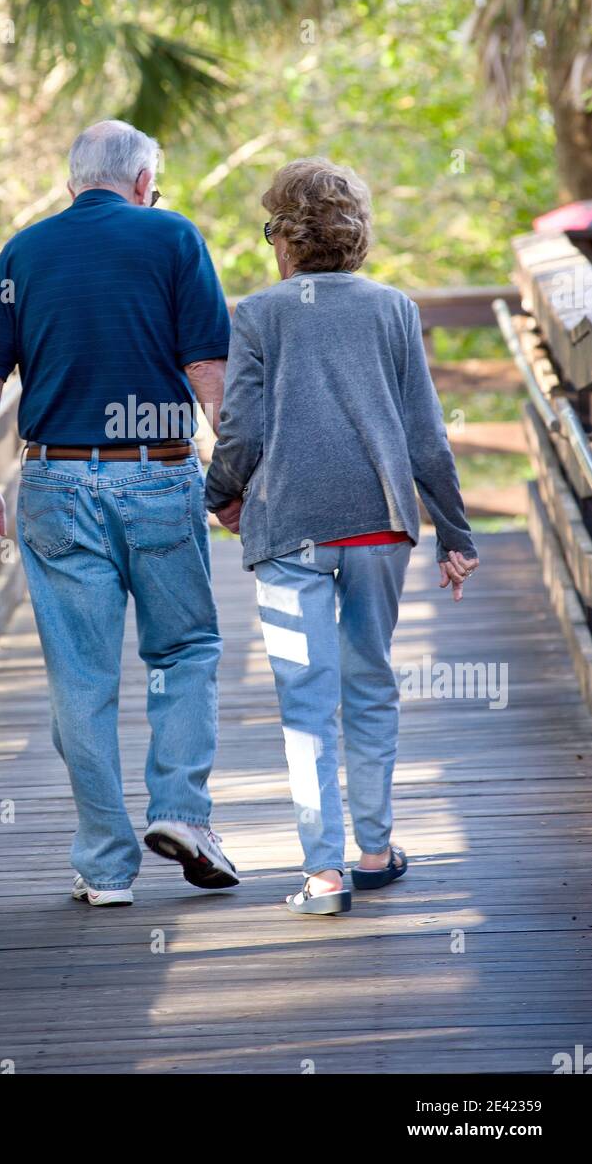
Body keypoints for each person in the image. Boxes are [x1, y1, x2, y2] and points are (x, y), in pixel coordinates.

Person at [0, 119, 239, 907]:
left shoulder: (24, 251)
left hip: (53, 482)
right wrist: (237, 474)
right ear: (145, 180)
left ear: (70, 181)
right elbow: (207, 368)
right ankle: (181, 813)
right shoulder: (172, 238)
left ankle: (106, 867)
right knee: (182, 651)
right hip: (155, 474)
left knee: (80, 678)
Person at [204, 157, 479, 916]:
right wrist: (456, 532)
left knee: (304, 699)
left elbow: (241, 426)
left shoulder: (258, 314)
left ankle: (322, 876)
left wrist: (222, 494)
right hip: (377, 522)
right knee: (369, 684)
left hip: (288, 526)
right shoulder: (392, 308)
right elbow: (426, 434)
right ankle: (373, 850)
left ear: (285, 237)